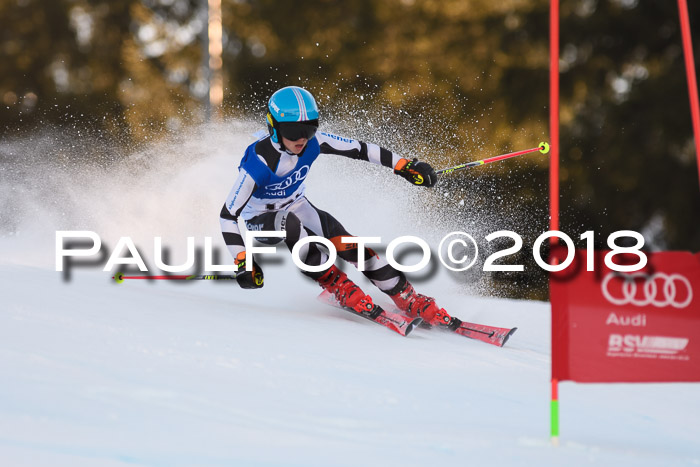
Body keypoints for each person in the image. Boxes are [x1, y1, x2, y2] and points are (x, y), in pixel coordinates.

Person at [219, 86, 456, 328]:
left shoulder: (313, 143)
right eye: (292, 131)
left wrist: (404, 166)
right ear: (274, 127)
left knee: (348, 244)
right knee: (290, 225)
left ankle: (406, 296)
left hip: (296, 204)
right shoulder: (258, 163)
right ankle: (335, 283)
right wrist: (242, 260)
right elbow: (227, 216)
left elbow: (361, 149)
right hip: (261, 219)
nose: (301, 138)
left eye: (309, 128)